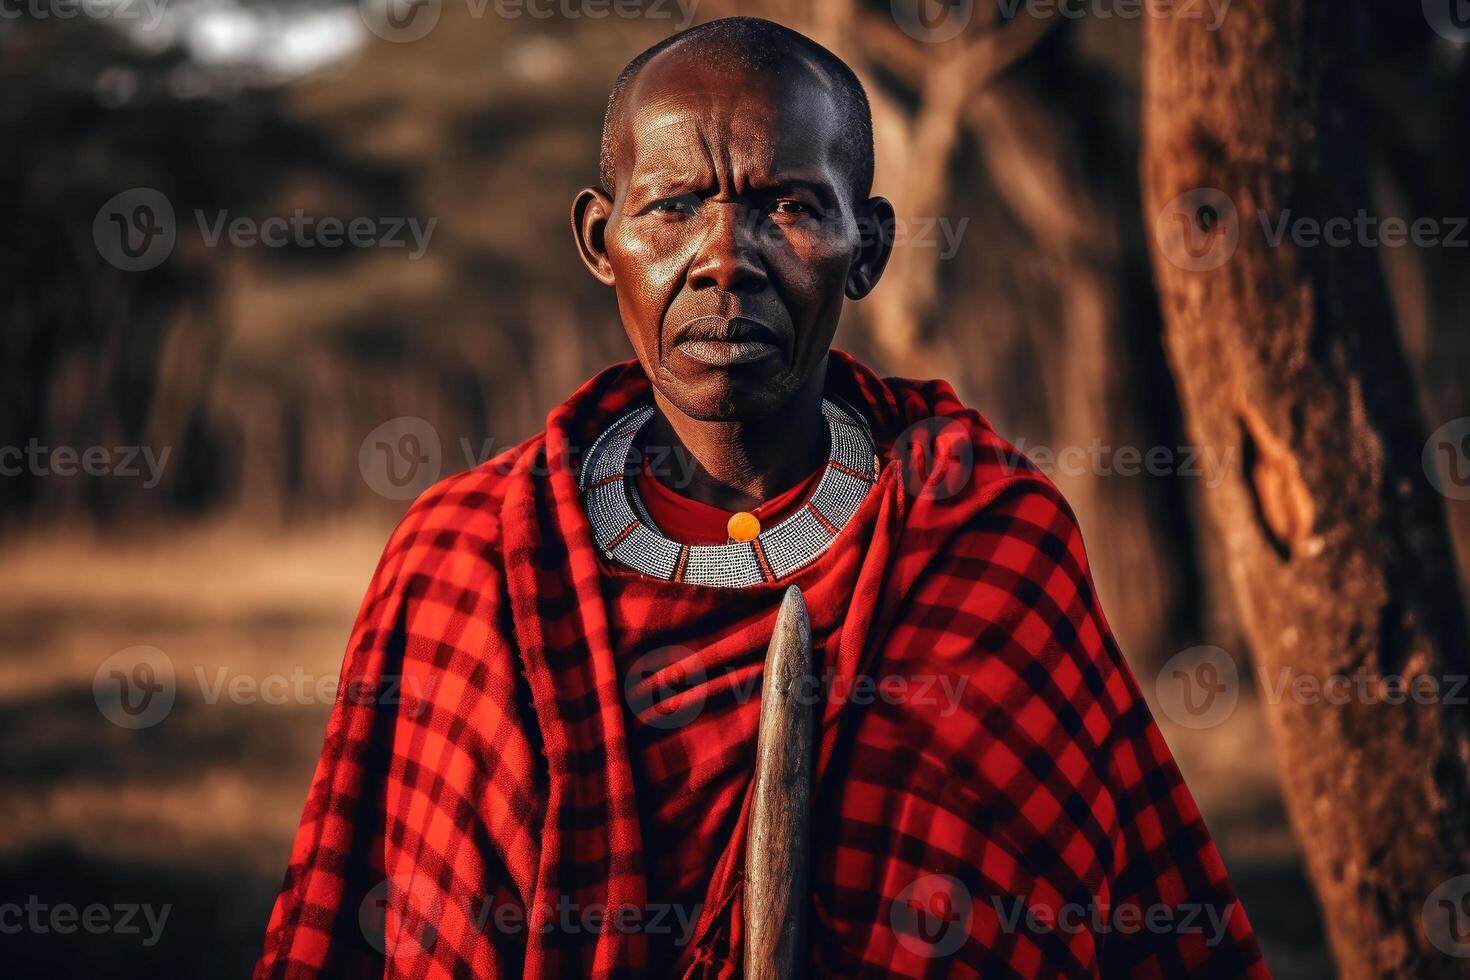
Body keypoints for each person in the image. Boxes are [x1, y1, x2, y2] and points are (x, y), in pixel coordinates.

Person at [256, 17, 1266, 978]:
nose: (726, 259)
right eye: (673, 206)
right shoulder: (466, 558)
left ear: (867, 245)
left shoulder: (985, 539)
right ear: (600, 239)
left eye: (789, 206)